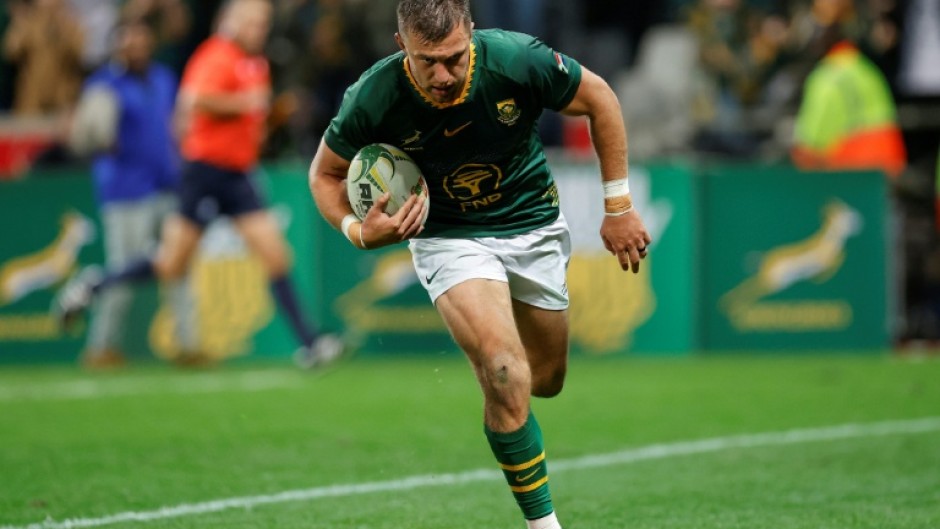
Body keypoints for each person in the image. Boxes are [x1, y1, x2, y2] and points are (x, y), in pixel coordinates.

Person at [307, 1, 651, 528]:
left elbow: (600, 99)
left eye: (455, 58)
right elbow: (324, 174)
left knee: (546, 378)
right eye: (428, 62)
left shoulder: (515, 59)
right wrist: (357, 231)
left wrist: (619, 207)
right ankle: (544, 524)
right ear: (403, 48)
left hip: (531, 224)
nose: (444, 75)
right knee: (503, 367)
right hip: (446, 235)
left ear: (472, 32)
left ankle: (500, 378)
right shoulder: (373, 95)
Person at [54, 0, 343, 368]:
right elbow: (194, 101)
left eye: (263, 22)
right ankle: (94, 284)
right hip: (205, 171)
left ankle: (310, 343)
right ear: (230, 22)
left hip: (238, 173)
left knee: (275, 254)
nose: (258, 28)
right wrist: (244, 103)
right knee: (171, 263)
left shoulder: (255, 62)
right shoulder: (216, 55)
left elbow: (250, 118)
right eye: (251, 21)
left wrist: (273, 115)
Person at [67, 19, 197, 368]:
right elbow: (83, 136)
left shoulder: (163, 79)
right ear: (117, 47)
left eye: (142, 41)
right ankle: (102, 347)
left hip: (167, 185)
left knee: (179, 265)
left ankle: (189, 344)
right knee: (122, 271)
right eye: (129, 43)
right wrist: (99, 136)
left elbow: (176, 128)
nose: (136, 48)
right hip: (125, 190)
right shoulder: (104, 84)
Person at [790, 0, 907, 179]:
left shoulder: (824, 77)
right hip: (887, 170)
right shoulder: (867, 70)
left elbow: (809, 145)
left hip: (849, 176)